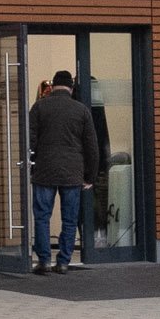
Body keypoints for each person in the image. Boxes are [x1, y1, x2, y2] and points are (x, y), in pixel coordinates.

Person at [25, 69, 97, 274]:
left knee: (41, 217)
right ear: (71, 88)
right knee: (70, 218)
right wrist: (90, 176)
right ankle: (64, 261)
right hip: (72, 172)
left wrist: (30, 164)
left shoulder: (39, 107)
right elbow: (91, 145)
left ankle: (44, 261)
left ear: (53, 86)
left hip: (44, 171)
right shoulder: (81, 110)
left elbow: (30, 140)